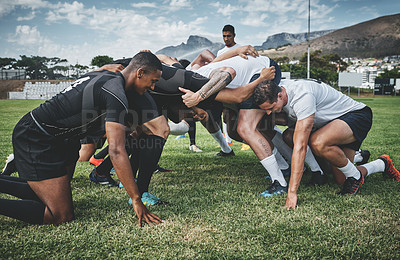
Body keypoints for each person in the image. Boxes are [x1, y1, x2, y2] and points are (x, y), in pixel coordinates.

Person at [0, 52, 163, 226]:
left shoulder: (106, 74)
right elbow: (116, 150)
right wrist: (136, 198)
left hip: (59, 138)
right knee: (60, 215)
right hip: (37, 135)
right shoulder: (116, 93)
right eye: (153, 81)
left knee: (43, 194)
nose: (152, 87)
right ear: (140, 73)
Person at [253, 79, 400, 209]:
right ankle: (382, 164)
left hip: (355, 116)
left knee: (317, 142)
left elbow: (301, 147)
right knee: (341, 179)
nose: (268, 113)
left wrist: (292, 192)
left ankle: (354, 175)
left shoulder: (302, 96)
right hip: (331, 124)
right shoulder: (279, 90)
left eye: (270, 108)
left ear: (280, 95)